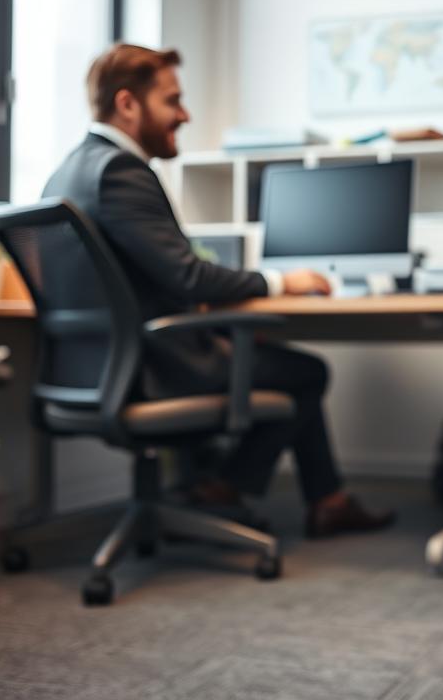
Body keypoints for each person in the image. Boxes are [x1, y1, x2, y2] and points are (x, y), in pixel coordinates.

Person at [42, 43, 394, 538]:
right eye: (172, 100)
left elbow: (155, 275)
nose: (184, 114)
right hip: (149, 370)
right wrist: (281, 282)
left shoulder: (66, 173)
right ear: (127, 104)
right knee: (306, 372)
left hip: (89, 368)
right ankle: (235, 487)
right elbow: (187, 276)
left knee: (272, 359)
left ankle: (253, 490)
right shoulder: (120, 171)